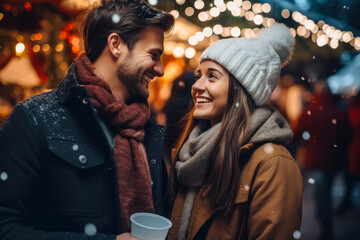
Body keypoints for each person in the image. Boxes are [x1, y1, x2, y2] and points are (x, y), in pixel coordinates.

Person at [0, 0, 174, 239]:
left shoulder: (144, 129)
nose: (160, 69)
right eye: (154, 55)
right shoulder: (34, 118)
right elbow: (5, 227)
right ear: (115, 45)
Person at [167, 23, 303, 240]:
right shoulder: (190, 152)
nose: (197, 85)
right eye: (199, 75)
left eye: (212, 76)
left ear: (242, 88)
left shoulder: (272, 164)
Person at [292, 81, 352, 240]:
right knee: (326, 191)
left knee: (321, 193)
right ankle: (326, 223)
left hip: (315, 158)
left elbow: (295, 133)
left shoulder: (310, 111)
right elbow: (347, 136)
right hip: (334, 159)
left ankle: (326, 225)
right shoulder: (339, 112)